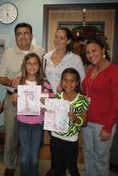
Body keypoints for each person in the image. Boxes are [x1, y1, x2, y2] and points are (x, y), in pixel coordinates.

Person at [0, 23, 45, 176]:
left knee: (32, 134)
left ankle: (31, 161)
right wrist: (11, 82)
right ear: (15, 36)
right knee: (11, 135)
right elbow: (0, 77)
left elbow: (43, 75)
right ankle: (10, 165)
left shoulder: (40, 51)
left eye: (26, 33)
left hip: (35, 102)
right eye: (19, 34)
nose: (23, 36)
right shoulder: (8, 53)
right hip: (13, 98)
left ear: (31, 35)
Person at [43, 27, 85, 176]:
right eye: (56, 37)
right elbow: (44, 79)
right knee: (54, 139)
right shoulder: (47, 56)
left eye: (62, 38)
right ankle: (56, 168)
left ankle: (66, 167)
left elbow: (82, 81)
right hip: (52, 103)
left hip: (67, 103)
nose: (58, 40)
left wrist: (69, 92)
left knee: (68, 140)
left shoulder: (75, 59)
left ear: (68, 41)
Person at [11, 53, 53, 176]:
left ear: (39, 66)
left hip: (37, 124)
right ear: (24, 66)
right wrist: (14, 100)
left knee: (34, 157)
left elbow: (50, 104)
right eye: (29, 63)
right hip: (23, 123)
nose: (32, 66)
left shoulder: (45, 84)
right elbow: (15, 104)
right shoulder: (19, 82)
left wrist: (46, 104)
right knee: (24, 157)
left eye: (35, 63)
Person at [82, 38, 118, 176]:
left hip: (102, 124)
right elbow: (86, 93)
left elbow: (116, 102)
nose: (91, 55)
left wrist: (108, 127)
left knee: (100, 158)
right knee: (88, 155)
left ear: (103, 50)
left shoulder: (114, 71)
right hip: (87, 121)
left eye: (94, 50)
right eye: (88, 52)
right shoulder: (91, 70)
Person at [51, 68, 88, 176]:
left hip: (71, 140)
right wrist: (47, 110)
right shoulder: (57, 97)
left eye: (72, 81)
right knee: (58, 167)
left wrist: (76, 119)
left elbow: (84, 123)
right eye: (65, 80)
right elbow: (51, 116)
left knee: (72, 167)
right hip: (56, 137)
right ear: (61, 82)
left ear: (77, 83)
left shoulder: (82, 100)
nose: (68, 84)